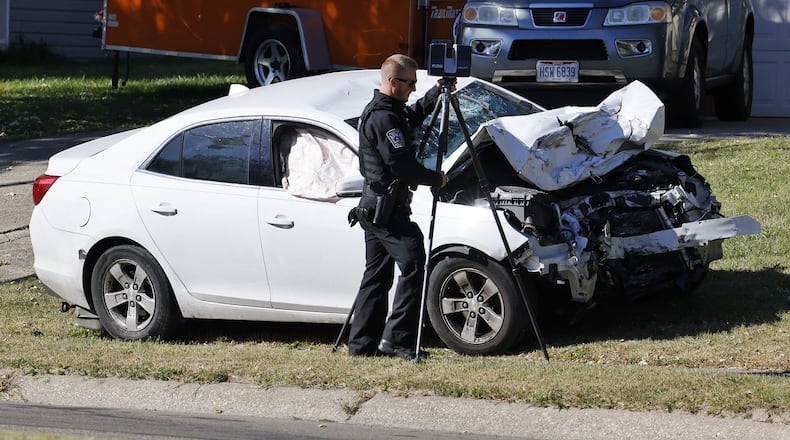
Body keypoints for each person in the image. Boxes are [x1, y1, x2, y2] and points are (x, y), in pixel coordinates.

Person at [348, 54, 448, 360]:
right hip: (386, 210)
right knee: (414, 263)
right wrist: (436, 179)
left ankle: (361, 346)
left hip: (376, 207)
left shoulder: (389, 111)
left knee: (377, 276)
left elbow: (410, 117)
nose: (414, 89)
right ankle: (398, 341)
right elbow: (402, 166)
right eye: (410, 83)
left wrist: (437, 93)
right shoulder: (383, 118)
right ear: (393, 82)